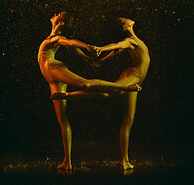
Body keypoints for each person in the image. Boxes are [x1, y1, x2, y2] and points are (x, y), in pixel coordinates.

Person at [37, 12, 141, 170]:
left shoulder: (55, 38)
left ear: (61, 23)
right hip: (51, 78)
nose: (55, 14)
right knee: (61, 119)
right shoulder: (53, 38)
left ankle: (123, 87)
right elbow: (71, 48)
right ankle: (67, 161)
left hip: (53, 68)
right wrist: (87, 57)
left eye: (58, 14)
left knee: (85, 84)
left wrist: (86, 47)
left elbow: (70, 43)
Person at [95, 17, 150, 169]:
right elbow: (116, 45)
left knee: (128, 120)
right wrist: (101, 49)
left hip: (136, 80)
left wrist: (102, 60)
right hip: (133, 76)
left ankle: (125, 160)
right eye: (125, 18)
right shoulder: (130, 40)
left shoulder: (134, 40)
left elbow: (117, 51)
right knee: (111, 91)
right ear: (126, 25)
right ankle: (76, 92)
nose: (129, 18)